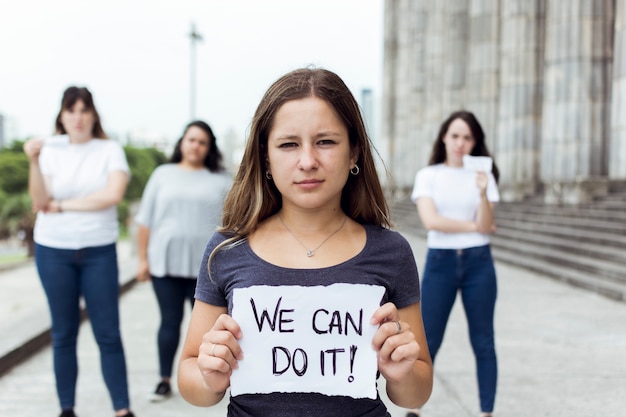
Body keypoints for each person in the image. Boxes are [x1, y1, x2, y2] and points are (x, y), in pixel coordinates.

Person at [177, 67, 434, 416]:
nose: (308, 161)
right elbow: (191, 379)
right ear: (265, 156)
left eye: (326, 141)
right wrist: (209, 376)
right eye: (288, 144)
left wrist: (401, 373)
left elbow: (416, 393)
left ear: (354, 152)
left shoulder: (391, 251)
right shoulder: (227, 249)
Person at [22, 86, 135, 417]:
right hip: (54, 250)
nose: (78, 117)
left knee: (108, 333)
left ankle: (122, 409)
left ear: (94, 115)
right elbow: (39, 201)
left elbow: (112, 194)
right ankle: (67, 408)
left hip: (98, 250)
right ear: (62, 115)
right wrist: (33, 160)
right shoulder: (50, 149)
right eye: (71, 110)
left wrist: (62, 205)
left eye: (85, 110)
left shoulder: (109, 149)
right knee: (63, 333)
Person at [406, 110, 500, 417]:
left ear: (475, 142)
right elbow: (431, 221)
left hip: (479, 264)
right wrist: (474, 227)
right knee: (428, 338)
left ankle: (486, 412)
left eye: (467, 137)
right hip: (441, 262)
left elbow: (487, 221)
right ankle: (415, 407)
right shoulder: (428, 175)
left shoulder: (484, 176)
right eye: (455, 135)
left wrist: (484, 193)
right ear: (444, 137)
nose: (460, 143)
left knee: (483, 341)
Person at [134, 120, 232, 402]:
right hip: (165, 263)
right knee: (169, 321)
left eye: (202, 142)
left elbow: (231, 224)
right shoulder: (162, 174)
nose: (195, 146)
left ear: (209, 148)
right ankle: (164, 379)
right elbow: (145, 221)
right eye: (191, 140)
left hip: (207, 269)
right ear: (181, 143)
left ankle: (205, 380)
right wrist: (142, 260)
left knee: (204, 328)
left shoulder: (221, 180)